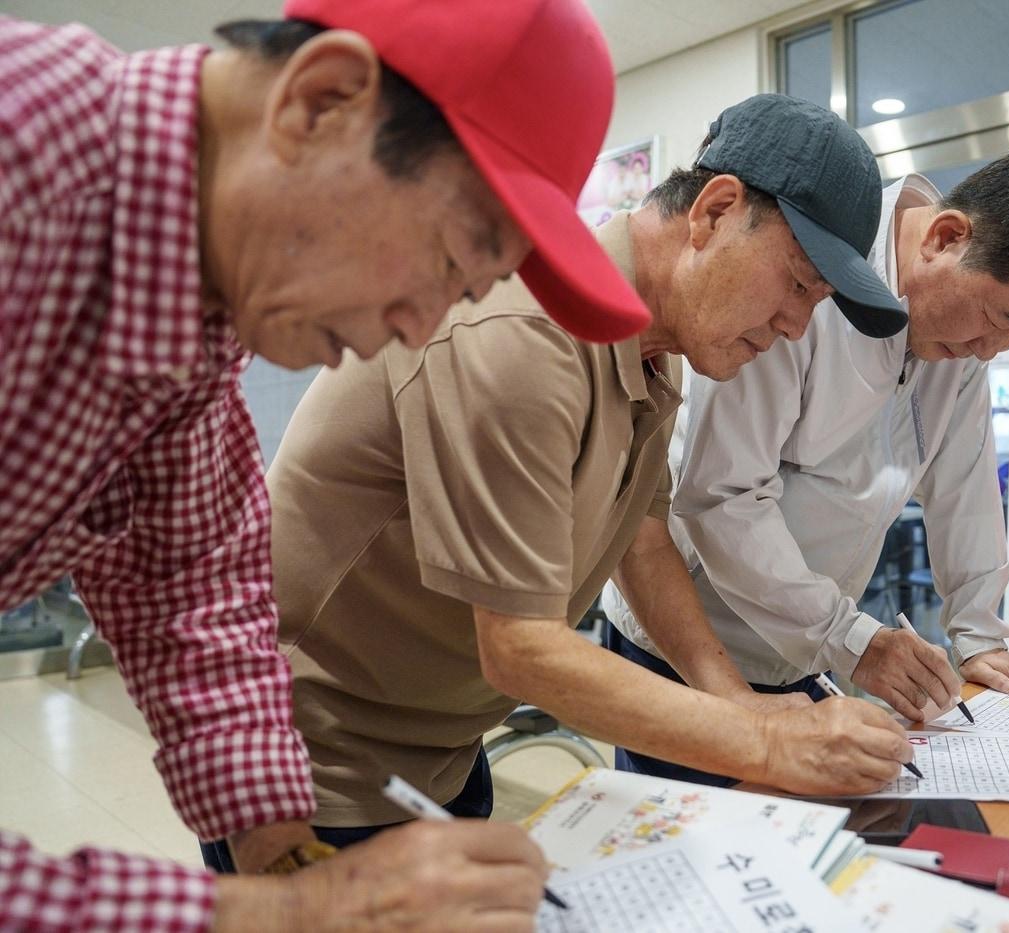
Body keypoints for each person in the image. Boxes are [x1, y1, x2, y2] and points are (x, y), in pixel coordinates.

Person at [0, 0, 651, 927]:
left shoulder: (195, 308)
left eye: (466, 296)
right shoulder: (20, 171)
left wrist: (283, 851)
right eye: (445, 259)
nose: (423, 327)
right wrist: (280, 913)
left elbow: (194, 592)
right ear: (322, 101)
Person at [239, 94, 917, 853]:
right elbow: (521, 645)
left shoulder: (651, 347)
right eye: (797, 283)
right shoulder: (526, 329)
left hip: (439, 749)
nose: (797, 326)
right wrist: (762, 743)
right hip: (309, 761)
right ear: (715, 211)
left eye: (816, 303)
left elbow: (644, 536)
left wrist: (741, 704)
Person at [602, 147, 1009, 784]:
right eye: (998, 318)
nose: (991, 349)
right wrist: (851, 639)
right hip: (691, 641)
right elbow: (724, 496)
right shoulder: (810, 271)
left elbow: (965, 488)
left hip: (810, 646)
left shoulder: (961, 347)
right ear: (945, 236)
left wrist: (980, 636)